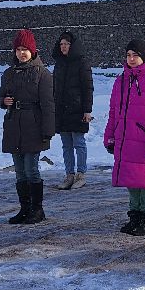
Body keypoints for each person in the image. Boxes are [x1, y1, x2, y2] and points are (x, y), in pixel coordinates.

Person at [104, 39, 145, 235]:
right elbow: (114, 112)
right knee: (131, 179)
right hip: (126, 140)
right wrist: (110, 136)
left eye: (136, 55)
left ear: (144, 57)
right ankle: (134, 216)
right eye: (128, 55)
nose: (131, 59)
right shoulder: (121, 81)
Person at [0, 29, 55, 224]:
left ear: (33, 51)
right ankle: (25, 208)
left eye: (25, 49)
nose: (22, 53)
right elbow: (0, 97)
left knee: (31, 169)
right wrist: (3, 101)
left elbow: (48, 105)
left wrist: (48, 131)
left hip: (34, 125)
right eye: (18, 49)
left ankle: (37, 210)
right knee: (20, 171)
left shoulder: (43, 74)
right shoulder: (9, 74)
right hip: (14, 124)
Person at [51, 30, 93, 189]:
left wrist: (87, 110)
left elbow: (88, 88)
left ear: (72, 45)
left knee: (79, 143)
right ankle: (69, 175)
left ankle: (81, 174)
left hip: (77, 109)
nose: (63, 47)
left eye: (66, 44)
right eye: (61, 44)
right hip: (61, 110)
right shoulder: (59, 64)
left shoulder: (82, 63)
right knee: (66, 145)